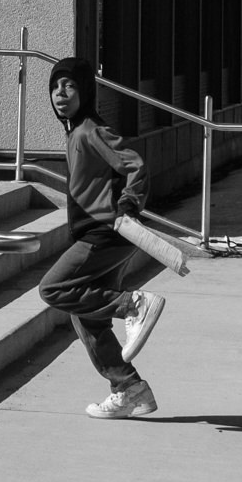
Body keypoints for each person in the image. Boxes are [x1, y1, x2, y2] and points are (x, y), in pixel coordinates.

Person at [38, 56, 166, 419]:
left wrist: (128, 203)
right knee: (86, 315)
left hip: (106, 232)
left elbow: (135, 164)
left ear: (85, 91)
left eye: (70, 86)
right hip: (98, 232)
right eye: (55, 87)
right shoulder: (74, 131)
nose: (60, 93)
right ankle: (130, 389)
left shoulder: (89, 130)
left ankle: (134, 305)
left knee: (53, 288)